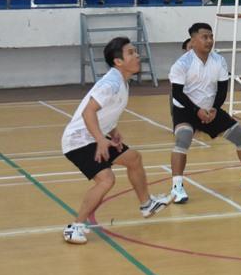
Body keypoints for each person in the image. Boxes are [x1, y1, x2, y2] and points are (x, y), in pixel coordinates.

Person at [61, 37, 170, 244]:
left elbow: (106, 112)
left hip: (94, 136)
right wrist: (102, 139)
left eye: (135, 51)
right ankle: (75, 226)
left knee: (133, 159)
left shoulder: (121, 81)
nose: (137, 55)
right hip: (79, 141)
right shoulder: (111, 83)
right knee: (107, 180)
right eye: (130, 53)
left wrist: (113, 131)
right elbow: (88, 112)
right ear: (118, 61)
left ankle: (146, 204)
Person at [168, 22, 241, 204]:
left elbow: (222, 90)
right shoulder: (182, 64)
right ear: (193, 40)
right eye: (204, 37)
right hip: (186, 110)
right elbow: (177, 93)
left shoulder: (219, 60)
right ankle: (177, 187)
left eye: (211, 36)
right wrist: (197, 110)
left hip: (210, 109)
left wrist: (214, 108)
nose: (209, 41)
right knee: (183, 138)